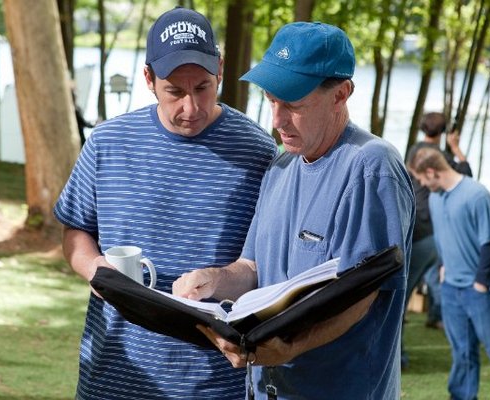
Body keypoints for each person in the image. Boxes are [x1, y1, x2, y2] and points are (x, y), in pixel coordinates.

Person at [173, 21, 415, 399]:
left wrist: (290, 348)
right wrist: (213, 280)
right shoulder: (281, 166)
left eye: (293, 105)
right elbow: (253, 268)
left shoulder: (371, 166)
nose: (277, 120)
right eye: (271, 101)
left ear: (341, 94)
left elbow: (363, 297)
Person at [53, 7, 278, 400]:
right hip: (112, 376)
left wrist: (217, 278)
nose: (191, 108)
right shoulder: (107, 143)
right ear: (148, 79)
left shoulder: (259, 153)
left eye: (203, 88)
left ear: (220, 69)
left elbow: (261, 266)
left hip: (213, 385)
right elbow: (76, 231)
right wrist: (94, 268)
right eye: (175, 91)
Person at [408, 146, 490, 400]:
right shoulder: (435, 199)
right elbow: (444, 237)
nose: (421, 184)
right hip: (451, 288)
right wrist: (443, 268)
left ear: (431, 172)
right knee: (462, 351)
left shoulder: (476, 195)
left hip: (481, 288)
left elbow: (489, 243)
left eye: (421, 178)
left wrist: (481, 284)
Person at [401, 112, 473, 367]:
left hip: (416, 228)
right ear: (442, 133)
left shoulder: (414, 151)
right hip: (430, 231)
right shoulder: (440, 157)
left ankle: (399, 354)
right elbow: (466, 176)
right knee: (407, 291)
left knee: (403, 293)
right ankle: (399, 354)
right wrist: (456, 148)